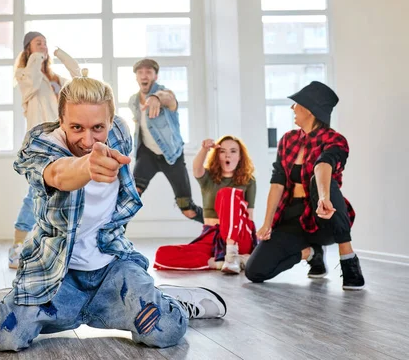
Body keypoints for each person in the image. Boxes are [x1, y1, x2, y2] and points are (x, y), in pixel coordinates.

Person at [0, 74, 227, 352]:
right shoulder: (41, 144)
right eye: (76, 127)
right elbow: (57, 173)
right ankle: (3, 304)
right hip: (57, 275)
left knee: (167, 329)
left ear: (111, 122)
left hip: (112, 270)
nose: (87, 139)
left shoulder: (119, 133)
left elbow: (167, 99)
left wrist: (158, 97)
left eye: (97, 128)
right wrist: (86, 168)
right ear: (61, 121)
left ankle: (168, 300)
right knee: (3, 336)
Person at [245, 81, 365, 290]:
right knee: (254, 271)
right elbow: (277, 182)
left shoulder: (335, 140)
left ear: (310, 109)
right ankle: (311, 254)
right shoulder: (287, 140)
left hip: (323, 217)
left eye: (297, 103)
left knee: (318, 182)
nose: (293, 107)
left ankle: (348, 260)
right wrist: (267, 223)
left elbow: (324, 165)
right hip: (291, 217)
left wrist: (324, 197)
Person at [8, 31, 81, 269]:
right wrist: (37, 58)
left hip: (61, 141)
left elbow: (77, 82)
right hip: (40, 142)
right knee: (35, 194)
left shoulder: (56, 79)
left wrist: (60, 54)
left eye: (45, 43)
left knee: (63, 195)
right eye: (38, 43)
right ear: (28, 49)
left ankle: (56, 250)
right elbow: (31, 83)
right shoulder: (24, 75)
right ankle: (17, 247)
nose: (43, 46)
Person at [154, 136, 257, 274]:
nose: (228, 155)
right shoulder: (208, 178)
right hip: (212, 234)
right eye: (223, 151)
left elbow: (249, 216)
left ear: (240, 157)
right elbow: (196, 168)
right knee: (162, 254)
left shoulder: (249, 181)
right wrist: (204, 149)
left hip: (239, 236)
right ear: (217, 156)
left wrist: (255, 245)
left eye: (233, 151)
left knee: (228, 193)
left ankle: (232, 255)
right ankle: (217, 263)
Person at [128, 58, 203, 224]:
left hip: (172, 156)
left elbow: (167, 98)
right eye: (140, 72)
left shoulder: (165, 93)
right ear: (136, 77)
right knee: (129, 200)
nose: (144, 75)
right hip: (147, 155)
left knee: (188, 209)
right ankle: (114, 244)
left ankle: (224, 229)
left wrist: (156, 97)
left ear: (155, 76)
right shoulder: (133, 100)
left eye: (148, 72)